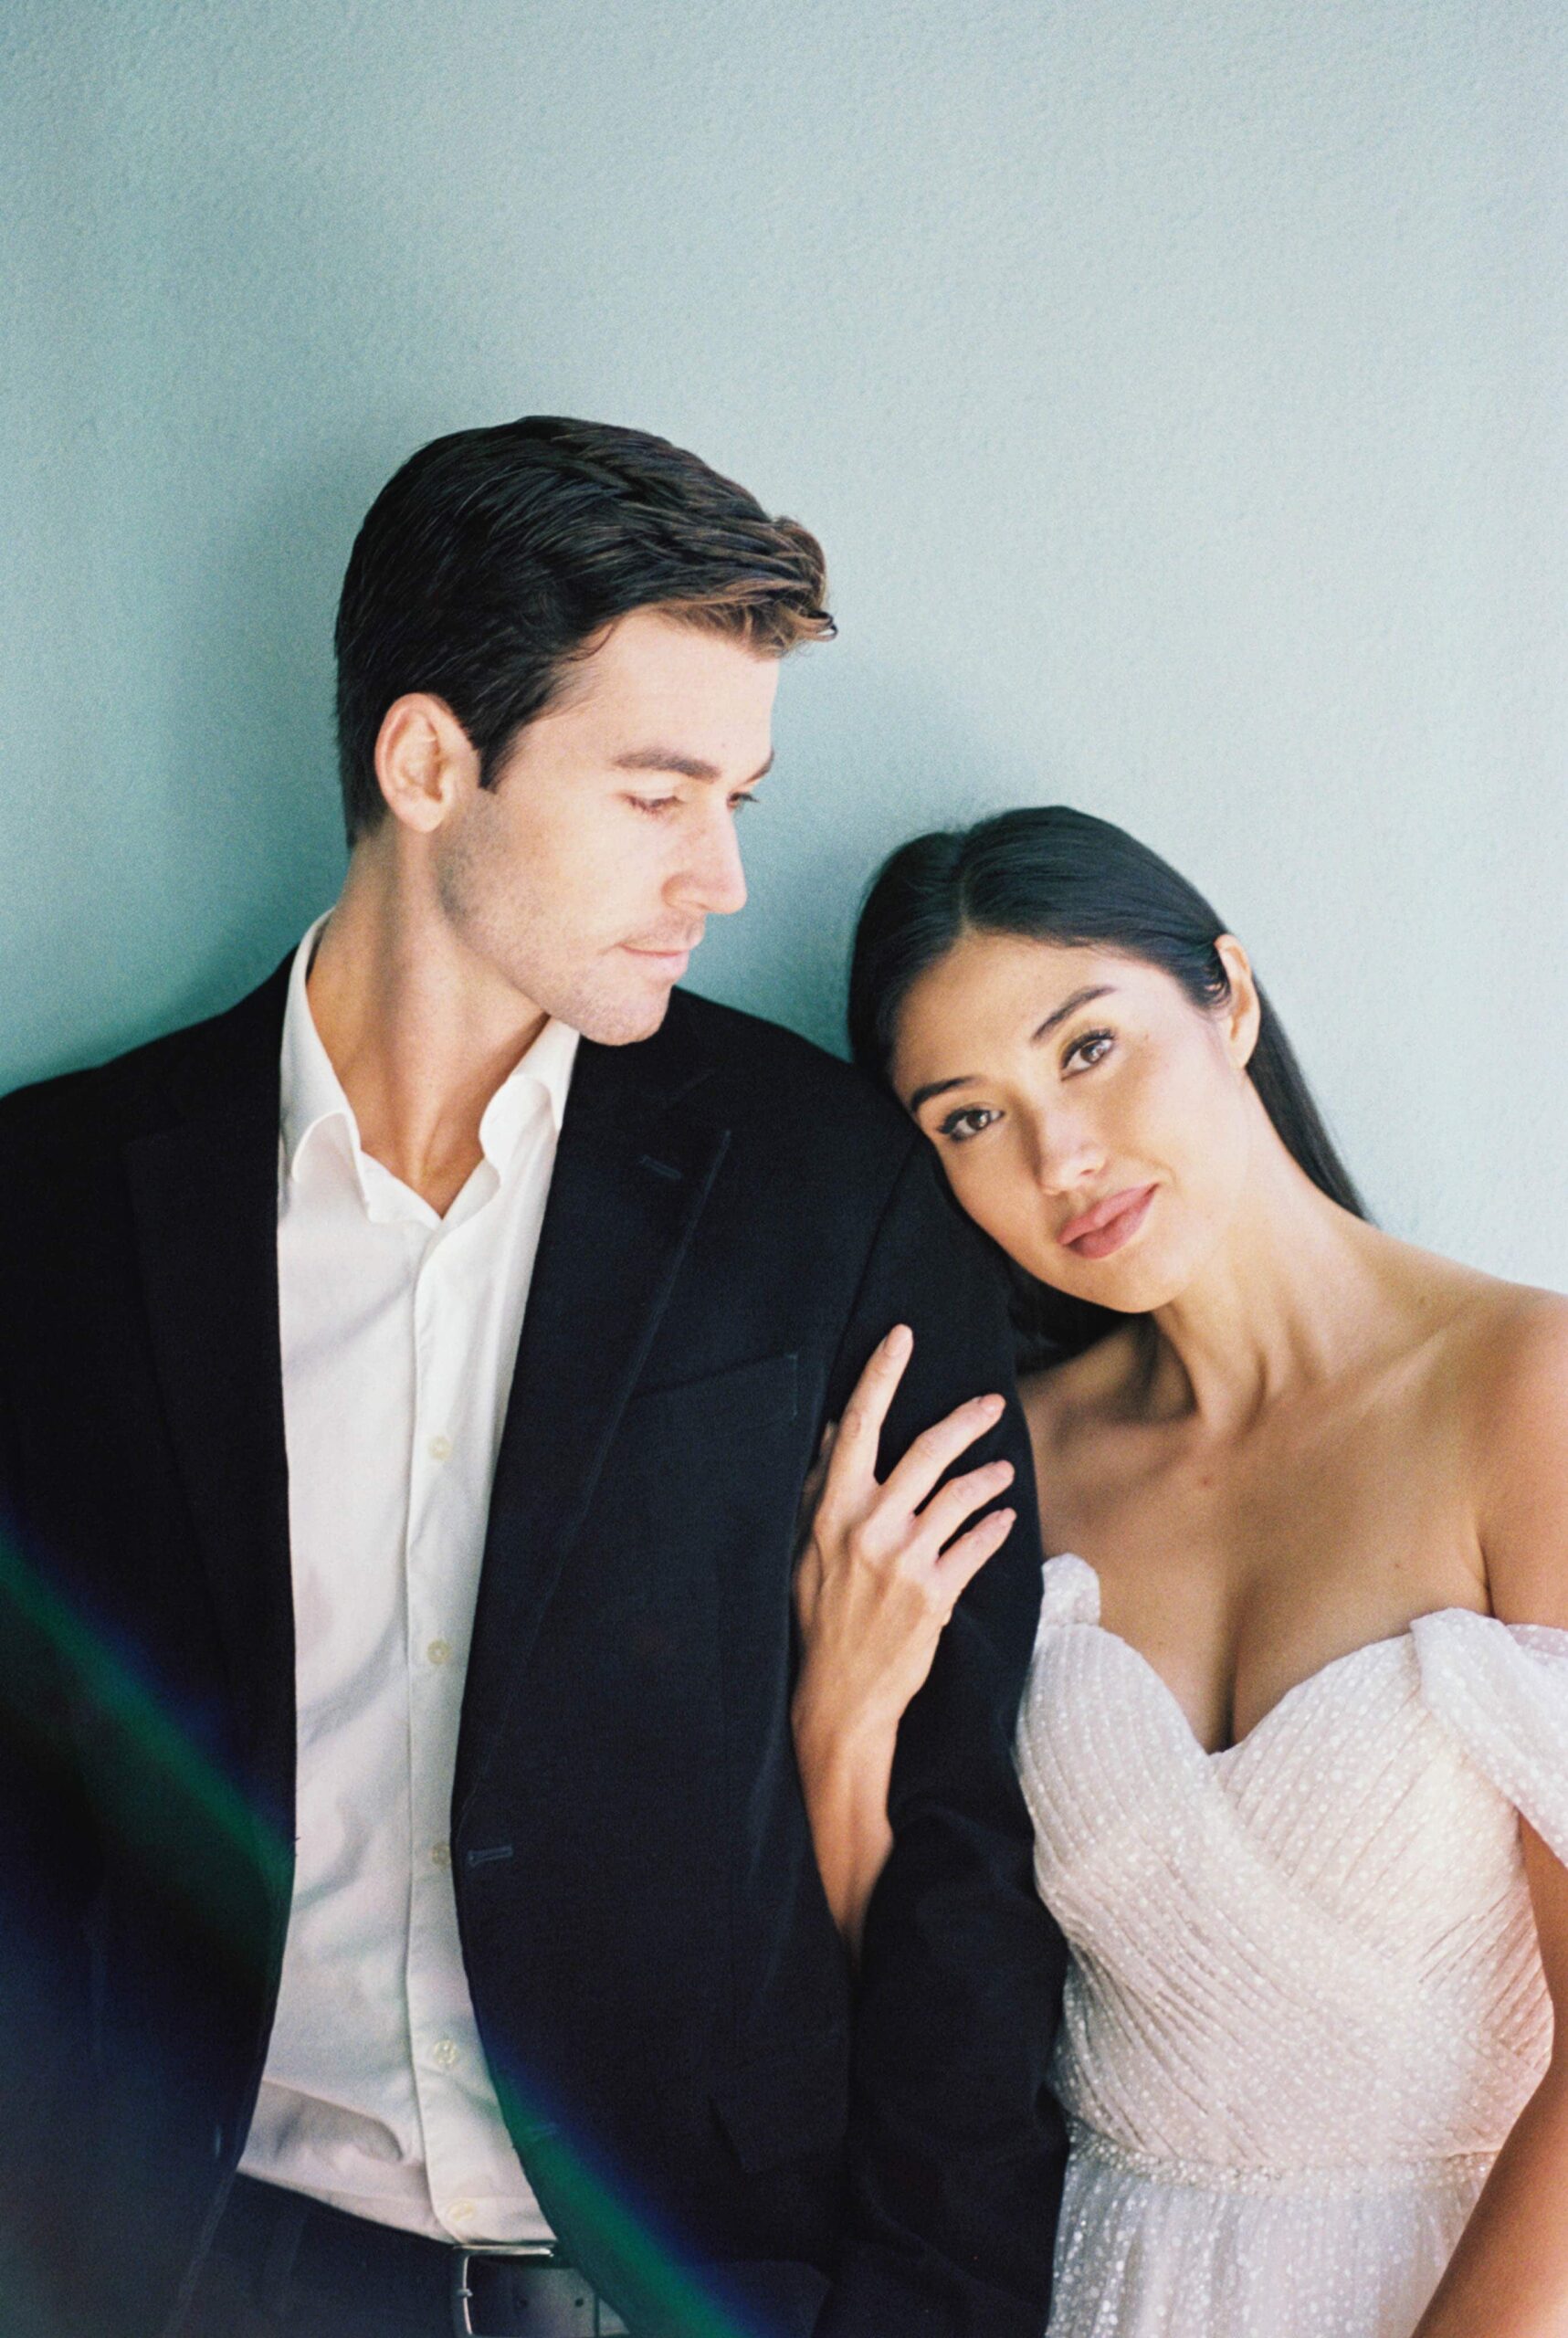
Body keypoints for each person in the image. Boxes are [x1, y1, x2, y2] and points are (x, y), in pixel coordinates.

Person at [0, 421, 1067, 2338]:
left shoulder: (831, 1193)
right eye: (658, 793)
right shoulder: (53, 1209)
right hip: (199, 2273)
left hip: (701, 2286)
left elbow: (964, 1855)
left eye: (738, 794)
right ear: (428, 761)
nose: (726, 877)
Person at [792, 805, 1568, 2338]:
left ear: (1229, 995)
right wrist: (839, 1719)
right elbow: (919, 2016)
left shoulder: (1522, 1395)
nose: (1058, 1158)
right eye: (966, 1118)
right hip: (1102, 2287)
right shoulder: (995, 1471)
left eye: (1085, 1049)